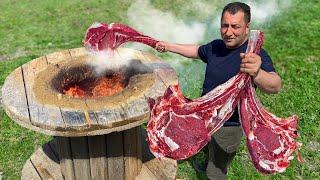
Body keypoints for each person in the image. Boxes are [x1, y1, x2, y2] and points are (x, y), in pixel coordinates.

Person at [155, 2, 282, 179]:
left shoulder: (255, 54)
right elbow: (196, 51)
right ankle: (207, 160)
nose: (228, 32)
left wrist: (257, 73)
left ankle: (214, 170)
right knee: (207, 147)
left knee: (216, 170)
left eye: (235, 26)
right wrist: (169, 46)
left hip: (228, 127)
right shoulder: (216, 46)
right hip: (205, 117)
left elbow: (275, 85)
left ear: (247, 27)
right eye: (225, 25)